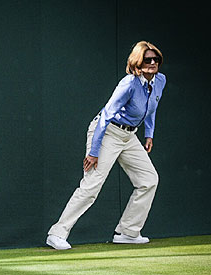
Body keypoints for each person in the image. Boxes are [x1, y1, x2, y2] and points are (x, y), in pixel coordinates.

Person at [47, 41, 166, 250]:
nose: (153, 62)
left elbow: (151, 107)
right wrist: (94, 151)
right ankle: (57, 233)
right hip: (107, 131)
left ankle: (128, 231)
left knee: (149, 179)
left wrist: (149, 134)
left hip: (130, 136)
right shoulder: (128, 83)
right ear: (138, 62)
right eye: (148, 59)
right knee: (92, 184)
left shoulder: (160, 81)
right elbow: (106, 116)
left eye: (156, 59)